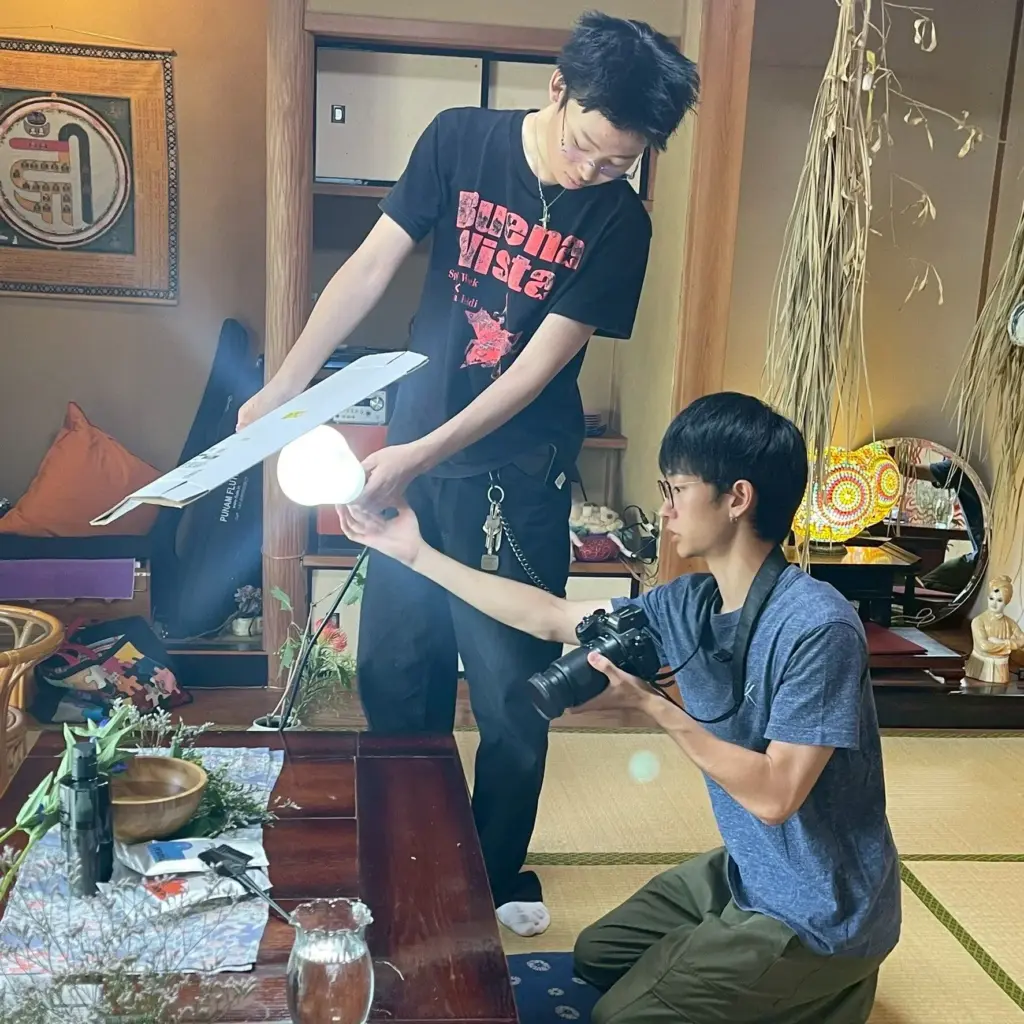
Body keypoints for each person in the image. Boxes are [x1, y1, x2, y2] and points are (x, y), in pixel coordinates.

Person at [238, 12, 699, 936]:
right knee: (394, 670)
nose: (593, 173)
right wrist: (287, 386)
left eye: (619, 164)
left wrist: (419, 453)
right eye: (587, 149)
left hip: (513, 480)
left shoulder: (620, 223)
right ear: (558, 90)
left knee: (512, 691)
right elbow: (370, 267)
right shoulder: (458, 141)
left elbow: (537, 368)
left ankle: (490, 871)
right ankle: (408, 851)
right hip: (409, 455)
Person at [339, 393, 902, 1023]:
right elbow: (552, 617)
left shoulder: (818, 627)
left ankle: (832, 987)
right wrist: (415, 553)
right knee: (595, 955)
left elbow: (776, 796)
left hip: (821, 910)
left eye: (676, 489)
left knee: (617, 1017)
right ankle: (749, 968)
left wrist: (651, 705)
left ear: (737, 498)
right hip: (749, 871)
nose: (664, 510)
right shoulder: (688, 604)